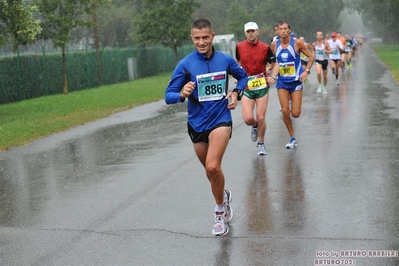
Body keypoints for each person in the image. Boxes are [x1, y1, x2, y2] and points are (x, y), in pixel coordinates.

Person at [165, 19, 247, 236]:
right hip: (196, 123)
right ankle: (225, 196)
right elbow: (168, 96)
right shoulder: (185, 64)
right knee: (212, 172)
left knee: (212, 166)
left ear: (213, 36)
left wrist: (236, 92)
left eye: (205, 37)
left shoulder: (225, 60)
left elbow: (243, 77)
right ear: (192, 38)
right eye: (197, 38)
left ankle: (219, 213)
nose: (201, 42)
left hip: (221, 118)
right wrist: (182, 94)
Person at [268, 20, 314, 149]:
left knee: (295, 114)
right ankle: (292, 137)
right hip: (282, 82)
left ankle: (293, 102)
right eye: (280, 29)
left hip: (296, 82)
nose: (282, 31)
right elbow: (273, 62)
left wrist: (307, 71)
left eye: (285, 29)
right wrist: (268, 68)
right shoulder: (274, 44)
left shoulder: (297, 43)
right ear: (277, 30)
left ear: (289, 30)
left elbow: (311, 56)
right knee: (285, 111)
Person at [236, 22, 276, 155]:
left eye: (253, 31)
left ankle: (261, 143)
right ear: (245, 33)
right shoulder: (239, 46)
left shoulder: (265, 47)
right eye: (248, 31)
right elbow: (237, 62)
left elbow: (275, 63)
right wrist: (238, 74)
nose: (251, 33)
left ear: (257, 32)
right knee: (248, 119)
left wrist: (272, 75)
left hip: (261, 85)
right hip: (247, 85)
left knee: (260, 117)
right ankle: (254, 127)